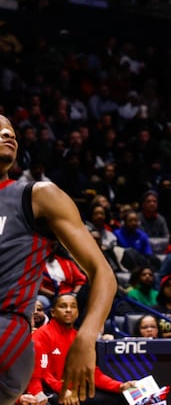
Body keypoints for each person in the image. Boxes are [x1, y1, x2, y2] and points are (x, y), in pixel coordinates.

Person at [0, 114, 118, 405]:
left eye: (11, 131)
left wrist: (87, 337)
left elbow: (102, 272)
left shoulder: (38, 196)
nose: (8, 134)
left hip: (7, 334)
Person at [20, 294, 138, 405]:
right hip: (50, 391)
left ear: (77, 313)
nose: (68, 310)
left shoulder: (80, 338)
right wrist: (60, 391)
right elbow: (41, 374)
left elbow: (92, 373)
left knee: (122, 397)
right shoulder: (41, 335)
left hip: (74, 390)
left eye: (73, 306)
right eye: (63, 306)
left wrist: (119, 386)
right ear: (53, 312)